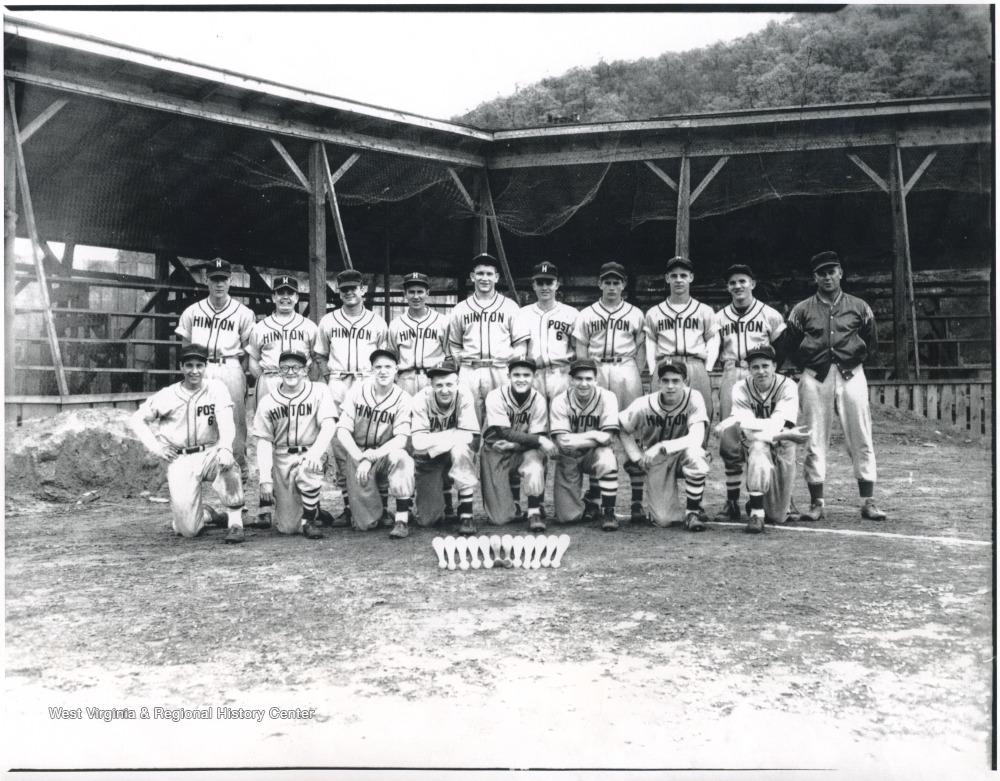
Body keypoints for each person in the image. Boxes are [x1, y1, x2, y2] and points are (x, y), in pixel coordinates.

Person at [784, 250, 888, 522]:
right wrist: (808, 364)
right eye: (821, 272)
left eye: (832, 271)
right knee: (814, 436)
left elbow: (870, 340)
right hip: (815, 376)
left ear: (841, 272)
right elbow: (791, 344)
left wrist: (854, 360)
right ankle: (816, 501)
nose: (827, 277)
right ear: (814, 277)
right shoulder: (801, 309)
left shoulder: (859, 306)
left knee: (861, 433)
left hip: (851, 373)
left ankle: (868, 500)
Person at [129, 345, 246, 543]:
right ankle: (206, 514)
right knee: (188, 531)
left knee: (229, 464)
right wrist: (157, 447)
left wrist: (225, 448)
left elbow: (226, 421)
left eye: (199, 365)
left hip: (210, 451)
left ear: (205, 366)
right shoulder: (168, 394)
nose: (194, 371)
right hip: (181, 457)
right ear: (181, 367)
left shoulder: (216, 388)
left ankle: (235, 523)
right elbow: (137, 419)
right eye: (189, 365)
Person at [712, 264, 787, 522]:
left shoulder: (770, 314)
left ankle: (778, 497)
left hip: (761, 375)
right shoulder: (719, 317)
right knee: (731, 438)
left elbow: (782, 349)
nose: (737, 286)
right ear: (727, 287)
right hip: (732, 371)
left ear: (753, 283)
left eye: (742, 281)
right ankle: (731, 501)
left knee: (769, 436)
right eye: (732, 282)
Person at [573, 261, 647, 522]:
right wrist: (588, 375)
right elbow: (581, 348)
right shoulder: (587, 313)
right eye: (608, 282)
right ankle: (594, 499)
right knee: (597, 429)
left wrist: (634, 372)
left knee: (631, 430)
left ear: (624, 285)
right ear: (599, 284)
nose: (612, 286)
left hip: (625, 368)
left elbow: (641, 348)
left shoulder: (635, 313)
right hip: (597, 368)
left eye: (617, 282)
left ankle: (637, 501)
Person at [315, 268, 390, 524]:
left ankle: (382, 504)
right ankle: (348, 506)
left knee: (374, 437)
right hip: (338, 380)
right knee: (340, 443)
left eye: (353, 288)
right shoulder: (328, 321)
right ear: (339, 292)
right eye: (344, 289)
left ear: (363, 290)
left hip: (366, 379)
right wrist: (329, 378)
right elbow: (320, 355)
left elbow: (384, 358)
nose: (349, 293)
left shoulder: (377, 322)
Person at [245, 274, 320, 528]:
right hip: (270, 380)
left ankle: (311, 501)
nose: (285, 297)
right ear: (273, 297)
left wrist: (305, 381)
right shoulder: (260, 327)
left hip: (301, 381)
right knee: (268, 438)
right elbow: (253, 359)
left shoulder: (309, 326)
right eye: (280, 293)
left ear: (298, 298)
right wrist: (266, 379)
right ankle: (266, 504)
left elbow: (316, 359)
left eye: (290, 293)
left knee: (303, 436)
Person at [713, 344, 810, 533]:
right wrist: (744, 422)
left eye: (765, 366)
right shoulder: (740, 387)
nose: (761, 371)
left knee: (778, 516)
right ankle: (756, 513)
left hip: (783, 444)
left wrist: (739, 420)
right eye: (755, 367)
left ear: (774, 366)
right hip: (769, 439)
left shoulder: (788, 385)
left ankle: (770, 501)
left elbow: (777, 423)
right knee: (757, 446)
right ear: (749, 369)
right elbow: (749, 434)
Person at [175, 258, 255, 481]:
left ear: (230, 281)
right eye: (214, 279)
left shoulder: (243, 313)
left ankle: (239, 475)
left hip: (229, 366)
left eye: (223, 279)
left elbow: (248, 351)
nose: (219, 284)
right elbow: (185, 346)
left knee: (236, 424)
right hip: (200, 367)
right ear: (205, 280)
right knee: (200, 422)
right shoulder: (192, 311)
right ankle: (203, 473)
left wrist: (237, 370)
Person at [388, 271, 456, 521]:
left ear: (428, 293)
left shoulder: (442, 321)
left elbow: (450, 357)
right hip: (406, 379)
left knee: (438, 438)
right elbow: (392, 359)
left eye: (420, 291)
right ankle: (407, 501)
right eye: (411, 291)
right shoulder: (395, 324)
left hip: (432, 381)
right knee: (407, 439)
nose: (416, 295)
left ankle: (446, 499)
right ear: (404, 294)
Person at [251, 349, 339, 540]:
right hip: (282, 457)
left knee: (309, 467)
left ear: (305, 369)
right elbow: (264, 441)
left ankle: (310, 521)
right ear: (279, 371)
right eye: (285, 368)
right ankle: (311, 508)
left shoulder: (319, 390)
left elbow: (329, 425)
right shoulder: (267, 401)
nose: (291, 372)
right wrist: (265, 479)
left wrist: (315, 453)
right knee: (289, 528)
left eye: (296, 367)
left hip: (310, 451)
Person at [617, 360, 710, 531]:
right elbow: (622, 427)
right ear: (658, 382)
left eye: (676, 381)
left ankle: (693, 512)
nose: (670, 386)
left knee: (696, 453)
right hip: (657, 461)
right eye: (665, 381)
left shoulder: (694, 397)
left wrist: (661, 445)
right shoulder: (644, 403)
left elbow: (696, 438)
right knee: (664, 519)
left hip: (684, 454)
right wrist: (637, 456)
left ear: (685, 382)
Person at [334, 348, 416, 538]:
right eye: (378, 367)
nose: (383, 371)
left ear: (396, 369)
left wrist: (372, 457)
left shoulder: (404, 398)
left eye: (388, 366)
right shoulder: (357, 391)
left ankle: (402, 518)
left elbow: (401, 438)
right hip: (358, 452)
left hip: (385, 452)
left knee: (402, 458)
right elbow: (342, 430)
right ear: (371, 370)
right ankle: (379, 510)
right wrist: (360, 457)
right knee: (365, 524)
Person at [644, 256, 719, 440]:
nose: (679, 280)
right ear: (667, 278)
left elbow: (713, 338)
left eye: (683, 275)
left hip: (694, 364)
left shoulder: (704, 310)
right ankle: (662, 461)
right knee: (660, 414)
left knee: (700, 414)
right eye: (674, 275)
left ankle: (696, 460)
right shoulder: (655, 311)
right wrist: (654, 369)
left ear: (691, 278)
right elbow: (650, 341)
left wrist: (707, 367)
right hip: (666, 363)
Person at [479, 358, 558, 534]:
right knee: (500, 518)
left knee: (535, 463)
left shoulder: (538, 399)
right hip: (496, 450)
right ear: (508, 376)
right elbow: (504, 433)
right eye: (516, 375)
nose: (521, 379)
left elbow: (536, 437)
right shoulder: (495, 395)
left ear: (534, 377)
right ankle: (512, 503)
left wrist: (517, 446)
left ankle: (534, 511)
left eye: (526, 375)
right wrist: (539, 440)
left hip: (521, 450)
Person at [447, 252, 521, 428]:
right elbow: (455, 345)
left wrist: (509, 364)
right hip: (471, 370)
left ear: (496, 277)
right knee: (468, 421)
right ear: (473, 277)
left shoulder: (510, 307)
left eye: (489, 274)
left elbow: (520, 345)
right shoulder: (460, 309)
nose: (484, 278)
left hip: (500, 368)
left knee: (501, 421)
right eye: (480, 273)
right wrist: (465, 365)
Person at [548, 358, 621, 531]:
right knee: (567, 517)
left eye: (589, 379)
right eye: (579, 378)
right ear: (571, 380)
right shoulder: (560, 400)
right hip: (569, 456)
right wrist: (595, 434)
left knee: (607, 458)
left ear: (596, 380)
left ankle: (608, 512)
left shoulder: (608, 397)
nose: (584, 383)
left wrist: (581, 438)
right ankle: (590, 500)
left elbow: (608, 438)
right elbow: (563, 442)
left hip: (595, 453)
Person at [410, 357, 481, 533]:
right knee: (428, 520)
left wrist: (435, 438)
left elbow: (470, 437)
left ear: (457, 382)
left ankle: (466, 515)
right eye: (439, 385)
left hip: (446, 451)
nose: (444, 390)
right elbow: (418, 442)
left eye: (449, 384)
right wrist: (453, 434)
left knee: (461, 451)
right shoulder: (420, 399)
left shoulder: (464, 395)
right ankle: (444, 502)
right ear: (431, 385)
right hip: (429, 458)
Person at [512, 262, 579, 402]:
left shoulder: (571, 313)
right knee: (536, 421)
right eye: (540, 283)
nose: (544, 287)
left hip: (562, 373)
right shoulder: (523, 313)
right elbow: (520, 350)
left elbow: (578, 350)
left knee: (562, 419)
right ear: (534, 285)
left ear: (557, 285)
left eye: (549, 282)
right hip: (534, 374)